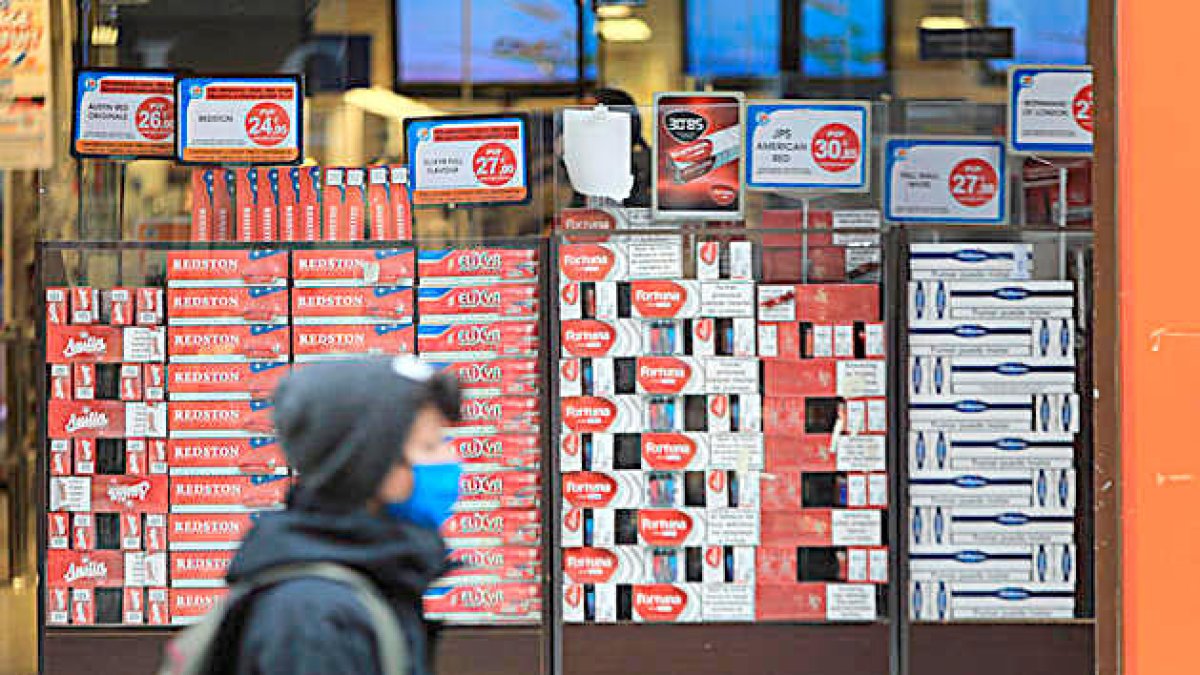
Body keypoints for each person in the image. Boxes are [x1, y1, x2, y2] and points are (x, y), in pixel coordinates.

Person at [220, 357, 462, 675]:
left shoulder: (376, 582)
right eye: (429, 446)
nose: (452, 458)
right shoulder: (314, 617)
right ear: (369, 464)